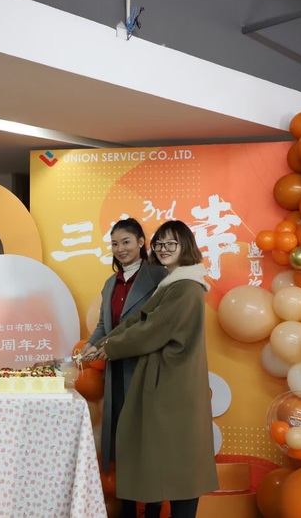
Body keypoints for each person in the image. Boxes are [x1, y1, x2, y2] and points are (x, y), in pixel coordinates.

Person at [87, 220, 218, 518]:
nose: (163, 249)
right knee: (158, 456)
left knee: (180, 461)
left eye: (171, 243)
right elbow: (137, 322)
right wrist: (103, 343)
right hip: (162, 378)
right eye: (160, 244)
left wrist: (110, 347)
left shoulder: (184, 286)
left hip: (173, 381)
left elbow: (154, 328)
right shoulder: (170, 283)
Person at [80, 218, 167, 518]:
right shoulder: (110, 283)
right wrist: (90, 346)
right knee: (124, 446)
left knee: (150, 444)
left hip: (147, 370)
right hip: (116, 372)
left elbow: (158, 325)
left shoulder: (159, 276)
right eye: (115, 244)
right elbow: (104, 326)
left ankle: (153, 510)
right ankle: (129, 509)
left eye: (126, 242)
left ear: (141, 242)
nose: (120, 249)